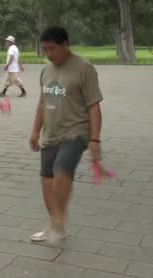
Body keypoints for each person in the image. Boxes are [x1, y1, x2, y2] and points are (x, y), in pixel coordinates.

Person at [29, 26, 103, 242]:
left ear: (65, 45)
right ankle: (56, 226)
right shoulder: (46, 70)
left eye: (52, 49)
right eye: (45, 50)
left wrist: (95, 139)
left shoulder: (84, 68)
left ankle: (57, 221)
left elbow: (94, 106)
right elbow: (43, 103)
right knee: (46, 180)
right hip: (51, 133)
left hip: (76, 132)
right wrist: (35, 131)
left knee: (62, 171)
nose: (49, 54)